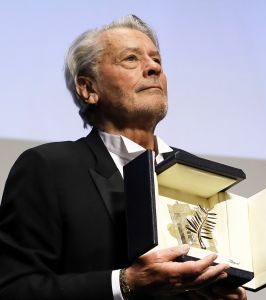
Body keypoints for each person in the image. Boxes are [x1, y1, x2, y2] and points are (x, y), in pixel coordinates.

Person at [0, 15, 247, 300]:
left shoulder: (196, 181)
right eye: (131, 59)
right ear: (88, 89)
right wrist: (125, 283)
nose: (153, 67)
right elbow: (12, 289)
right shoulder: (49, 167)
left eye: (157, 60)